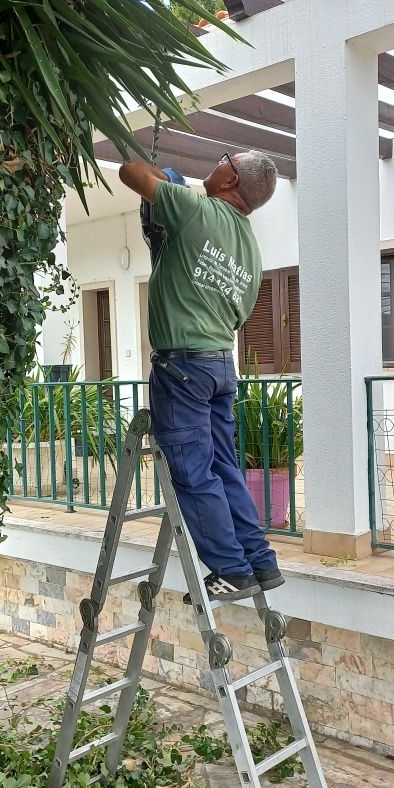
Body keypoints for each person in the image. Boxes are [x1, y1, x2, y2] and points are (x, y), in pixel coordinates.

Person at [118, 149, 284, 603]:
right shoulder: (250, 248)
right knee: (224, 467)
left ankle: (230, 569)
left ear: (230, 177)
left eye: (222, 159)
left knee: (193, 474)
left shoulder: (194, 210)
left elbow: (129, 171)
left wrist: (167, 179)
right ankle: (260, 562)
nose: (214, 163)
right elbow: (240, 313)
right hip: (219, 364)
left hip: (182, 367)